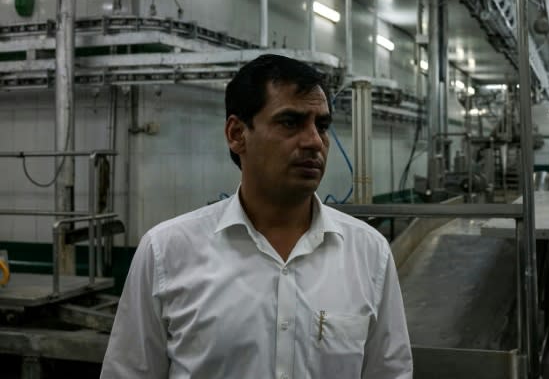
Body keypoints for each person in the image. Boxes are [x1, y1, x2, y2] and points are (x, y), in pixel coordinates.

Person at [101, 54, 413, 378]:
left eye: (321, 125)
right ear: (237, 134)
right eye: (290, 122)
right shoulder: (166, 253)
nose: (314, 142)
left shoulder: (369, 254)